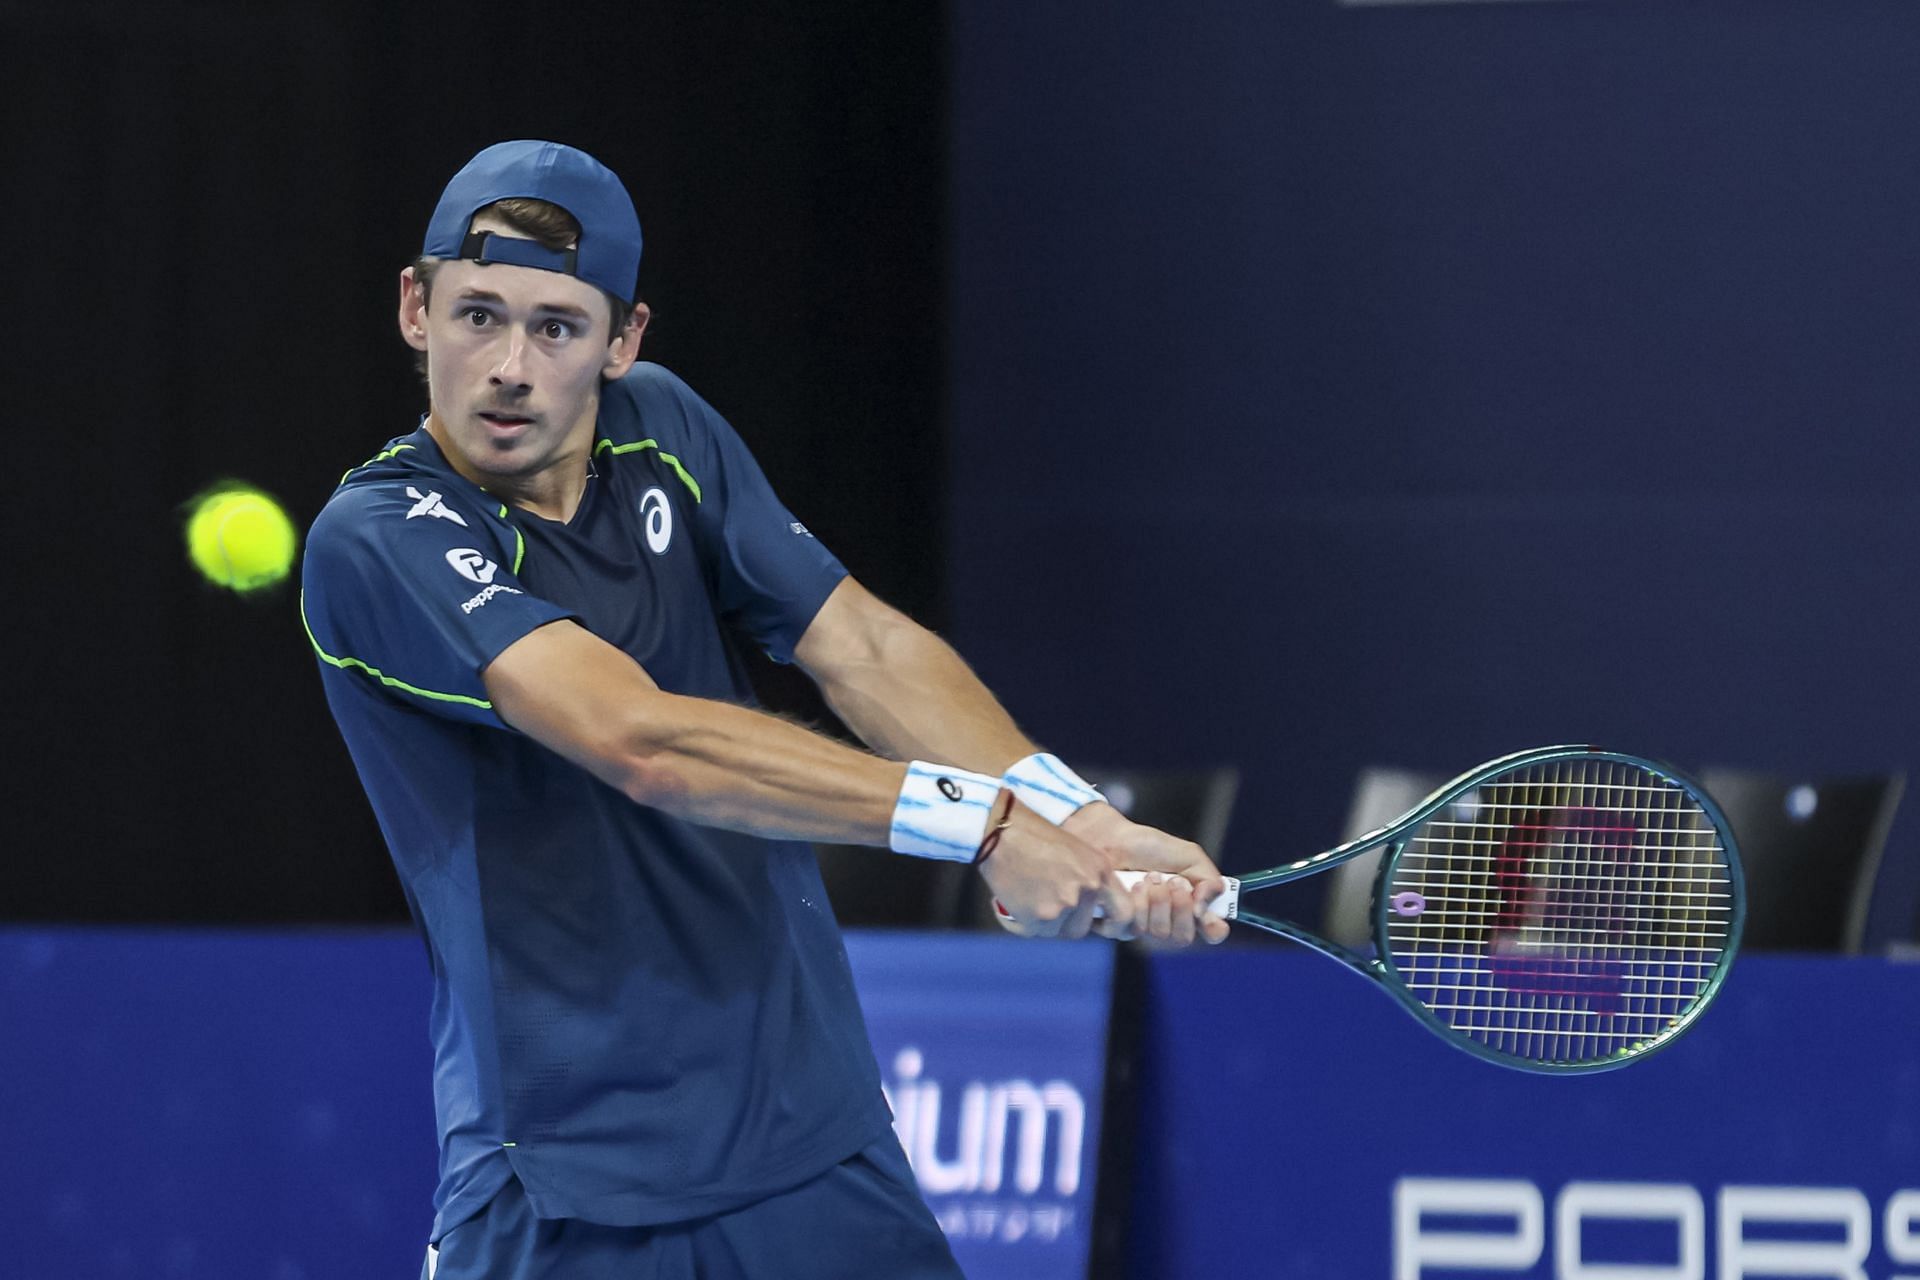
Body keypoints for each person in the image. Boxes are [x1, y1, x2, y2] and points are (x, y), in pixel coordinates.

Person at [300, 140, 1229, 1280]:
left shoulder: (668, 430)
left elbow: (864, 646)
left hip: (815, 1145)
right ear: (415, 305)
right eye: (477, 314)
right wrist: (984, 827)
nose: (509, 366)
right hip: (567, 1181)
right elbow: (640, 738)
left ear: (624, 341)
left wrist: (1071, 815)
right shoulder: (377, 537)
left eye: (557, 327)